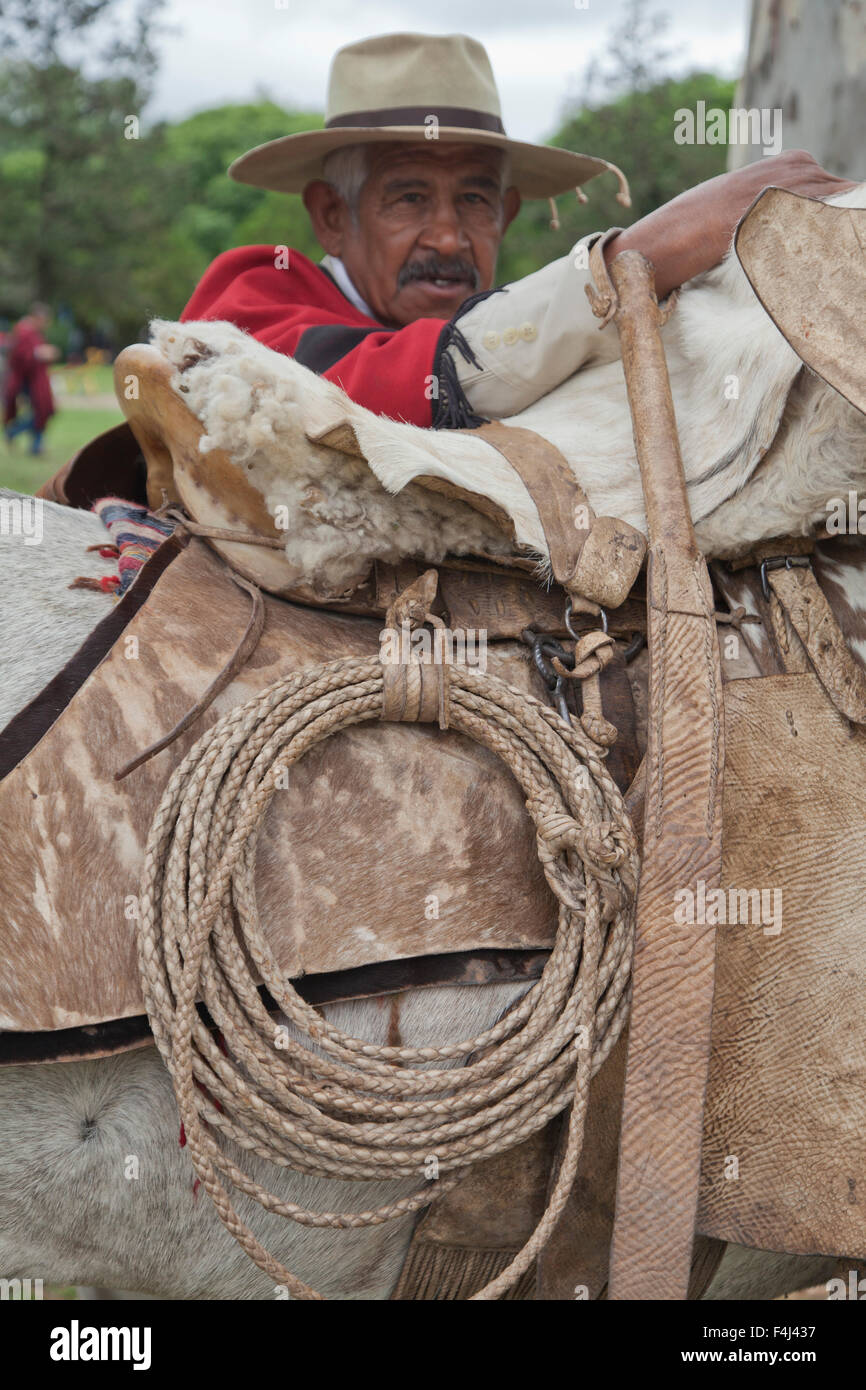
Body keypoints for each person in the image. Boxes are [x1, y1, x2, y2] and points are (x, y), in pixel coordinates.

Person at [3, 303, 58, 455]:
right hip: (27, 380)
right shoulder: (23, 331)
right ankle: (14, 432)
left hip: (37, 379)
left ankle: (35, 445)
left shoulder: (34, 332)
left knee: (44, 410)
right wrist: (37, 354)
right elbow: (18, 356)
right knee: (40, 411)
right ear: (37, 318)